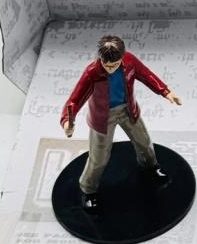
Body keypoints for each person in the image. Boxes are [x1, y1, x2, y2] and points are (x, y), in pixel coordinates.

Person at [61, 34, 182, 212]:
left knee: (144, 142)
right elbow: (74, 100)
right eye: (106, 65)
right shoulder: (92, 73)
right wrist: (66, 121)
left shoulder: (130, 61)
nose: (110, 69)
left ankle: (150, 167)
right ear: (100, 59)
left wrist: (165, 91)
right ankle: (88, 189)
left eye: (115, 65)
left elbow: (147, 75)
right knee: (99, 157)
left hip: (128, 109)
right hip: (103, 117)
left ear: (122, 58)